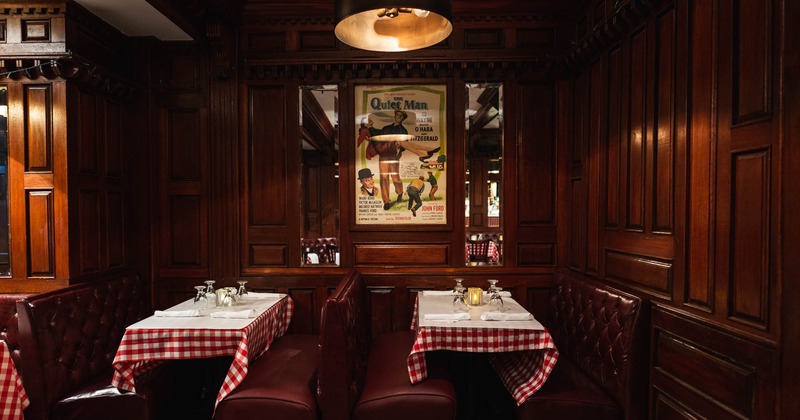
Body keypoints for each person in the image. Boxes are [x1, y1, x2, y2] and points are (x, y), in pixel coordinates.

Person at [375, 109, 408, 209]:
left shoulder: (404, 131)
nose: (398, 117)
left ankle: (400, 192)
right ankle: (386, 201)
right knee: (384, 177)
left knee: (395, 178)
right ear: (395, 116)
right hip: (384, 155)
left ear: (402, 118)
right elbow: (379, 138)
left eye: (400, 116)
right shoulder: (386, 128)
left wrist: (399, 146)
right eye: (397, 114)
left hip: (394, 155)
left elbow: (405, 146)